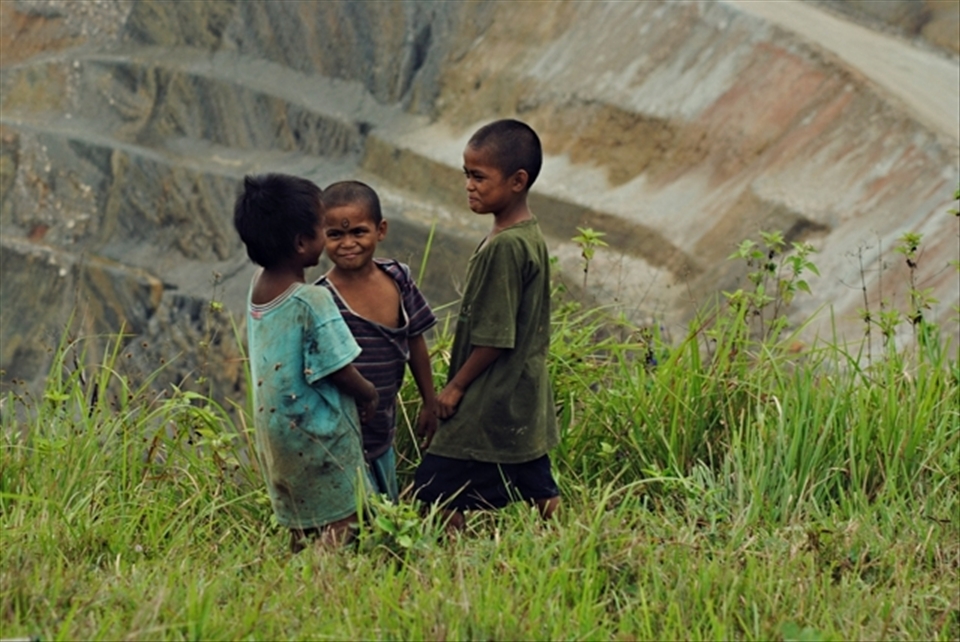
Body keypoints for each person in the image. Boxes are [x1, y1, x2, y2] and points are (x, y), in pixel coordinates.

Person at [413, 119, 560, 530]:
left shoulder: (508, 247)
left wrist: (455, 387)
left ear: (517, 181)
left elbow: (496, 337)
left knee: (435, 485)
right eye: (467, 175)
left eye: (479, 176)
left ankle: (449, 561)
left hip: (489, 391)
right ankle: (572, 543)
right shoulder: (523, 235)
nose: (469, 185)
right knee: (533, 479)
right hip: (520, 388)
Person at [233, 173, 378, 553]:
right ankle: (317, 580)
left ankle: (296, 564)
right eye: (322, 228)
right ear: (301, 243)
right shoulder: (311, 302)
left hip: (274, 432)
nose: (327, 236)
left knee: (302, 520)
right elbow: (339, 368)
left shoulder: (258, 288)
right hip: (317, 434)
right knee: (346, 520)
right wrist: (369, 394)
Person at [315, 180, 438, 502]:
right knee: (352, 515)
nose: (348, 243)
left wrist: (429, 400)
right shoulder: (321, 300)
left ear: (381, 230)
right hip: (339, 436)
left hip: (383, 428)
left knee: (386, 507)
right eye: (335, 234)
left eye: (358, 231)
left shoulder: (398, 279)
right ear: (320, 235)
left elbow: (415, 342)